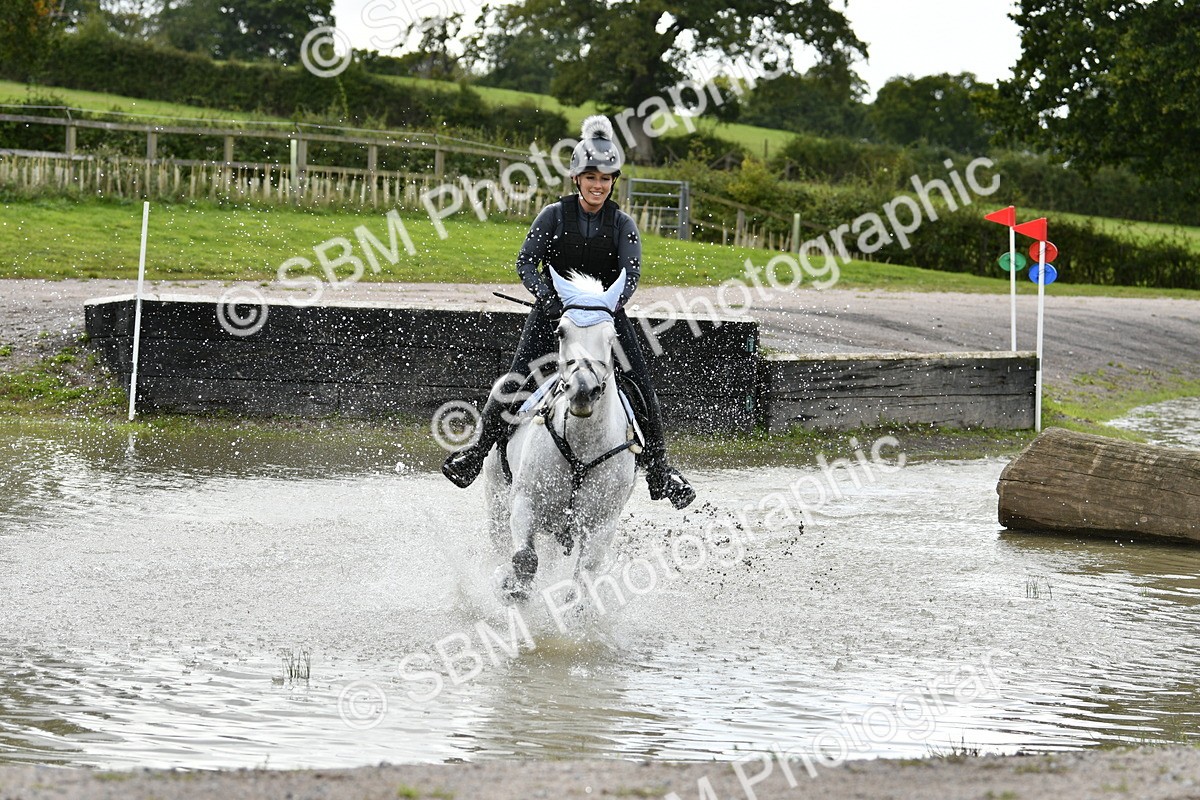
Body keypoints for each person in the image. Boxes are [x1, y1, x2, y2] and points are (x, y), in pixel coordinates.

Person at [441, 115, 695, 509]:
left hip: (605, 322)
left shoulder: (623, 224)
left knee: (642, 385)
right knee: (514, 379)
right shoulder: (553, 216)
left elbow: (630, 276)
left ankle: (660, 471)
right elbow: (527, 263)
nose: (598, 185)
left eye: (606, 178)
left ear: (614, 182)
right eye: (591, 177)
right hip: (553, 316)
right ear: (576, 178)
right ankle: (477, 454)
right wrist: (548, 299)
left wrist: (603, 307)